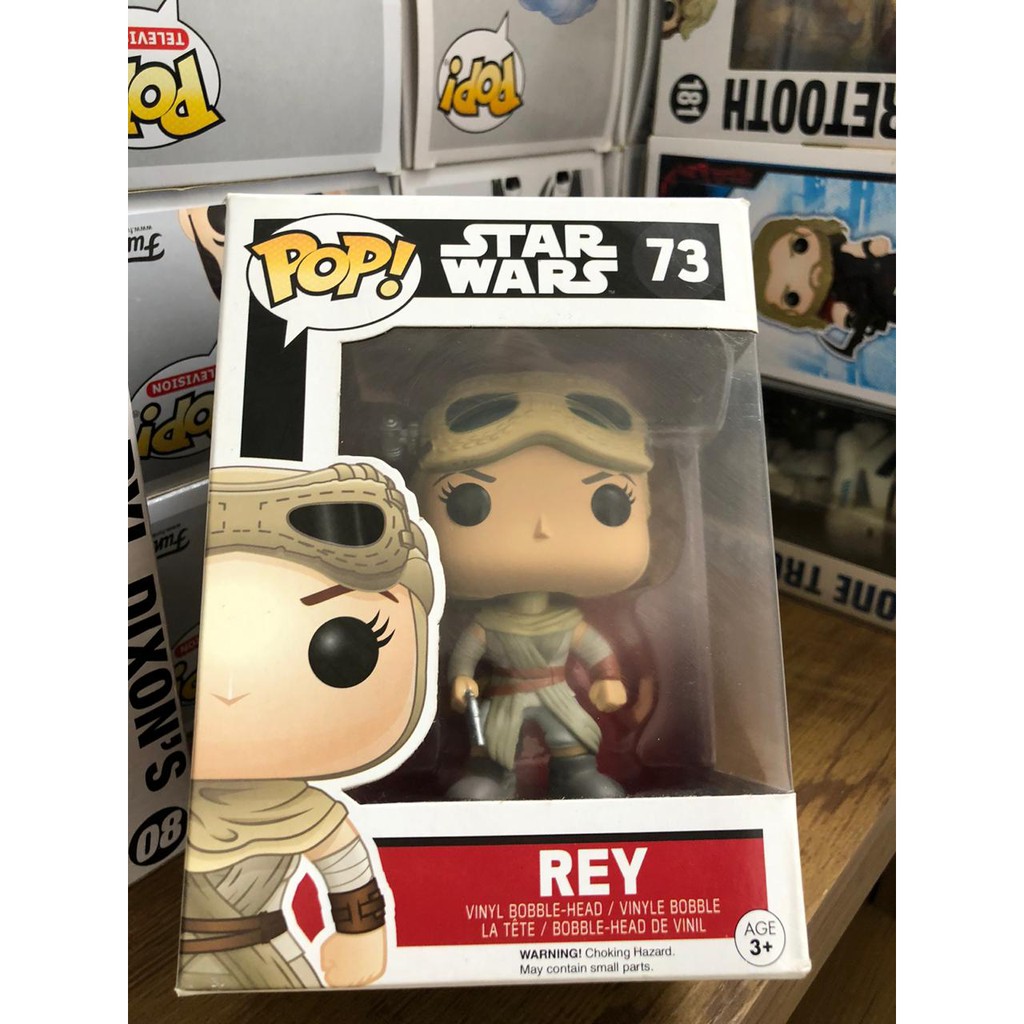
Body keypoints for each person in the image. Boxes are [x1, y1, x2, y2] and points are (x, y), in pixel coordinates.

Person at [179, 461, 436, 990]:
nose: (232, 690)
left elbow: (347, 871)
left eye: (344, 650)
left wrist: (361, 935)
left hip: (269, 960)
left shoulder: (307, 812)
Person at [415, 371, 652, 800]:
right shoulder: (488, 623)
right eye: (468, 502)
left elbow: (595, 649)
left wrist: (607, 677)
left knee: (570, 731)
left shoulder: (568, 622)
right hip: (505, 693)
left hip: (556, 690)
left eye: (609, 502)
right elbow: (466, 654)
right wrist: (461, 678)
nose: (542, 529)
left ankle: (576, 774)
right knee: (494, 736)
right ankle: (491, 776)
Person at [752, 216, 895, 359]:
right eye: (792, 298)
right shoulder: (829, 303)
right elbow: (838, 313)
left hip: (882, 269)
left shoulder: (836, 252)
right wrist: (849, 319)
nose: (810, 274)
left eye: (800, 246)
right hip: (875, 302)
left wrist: (868, 248)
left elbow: (856, 249)